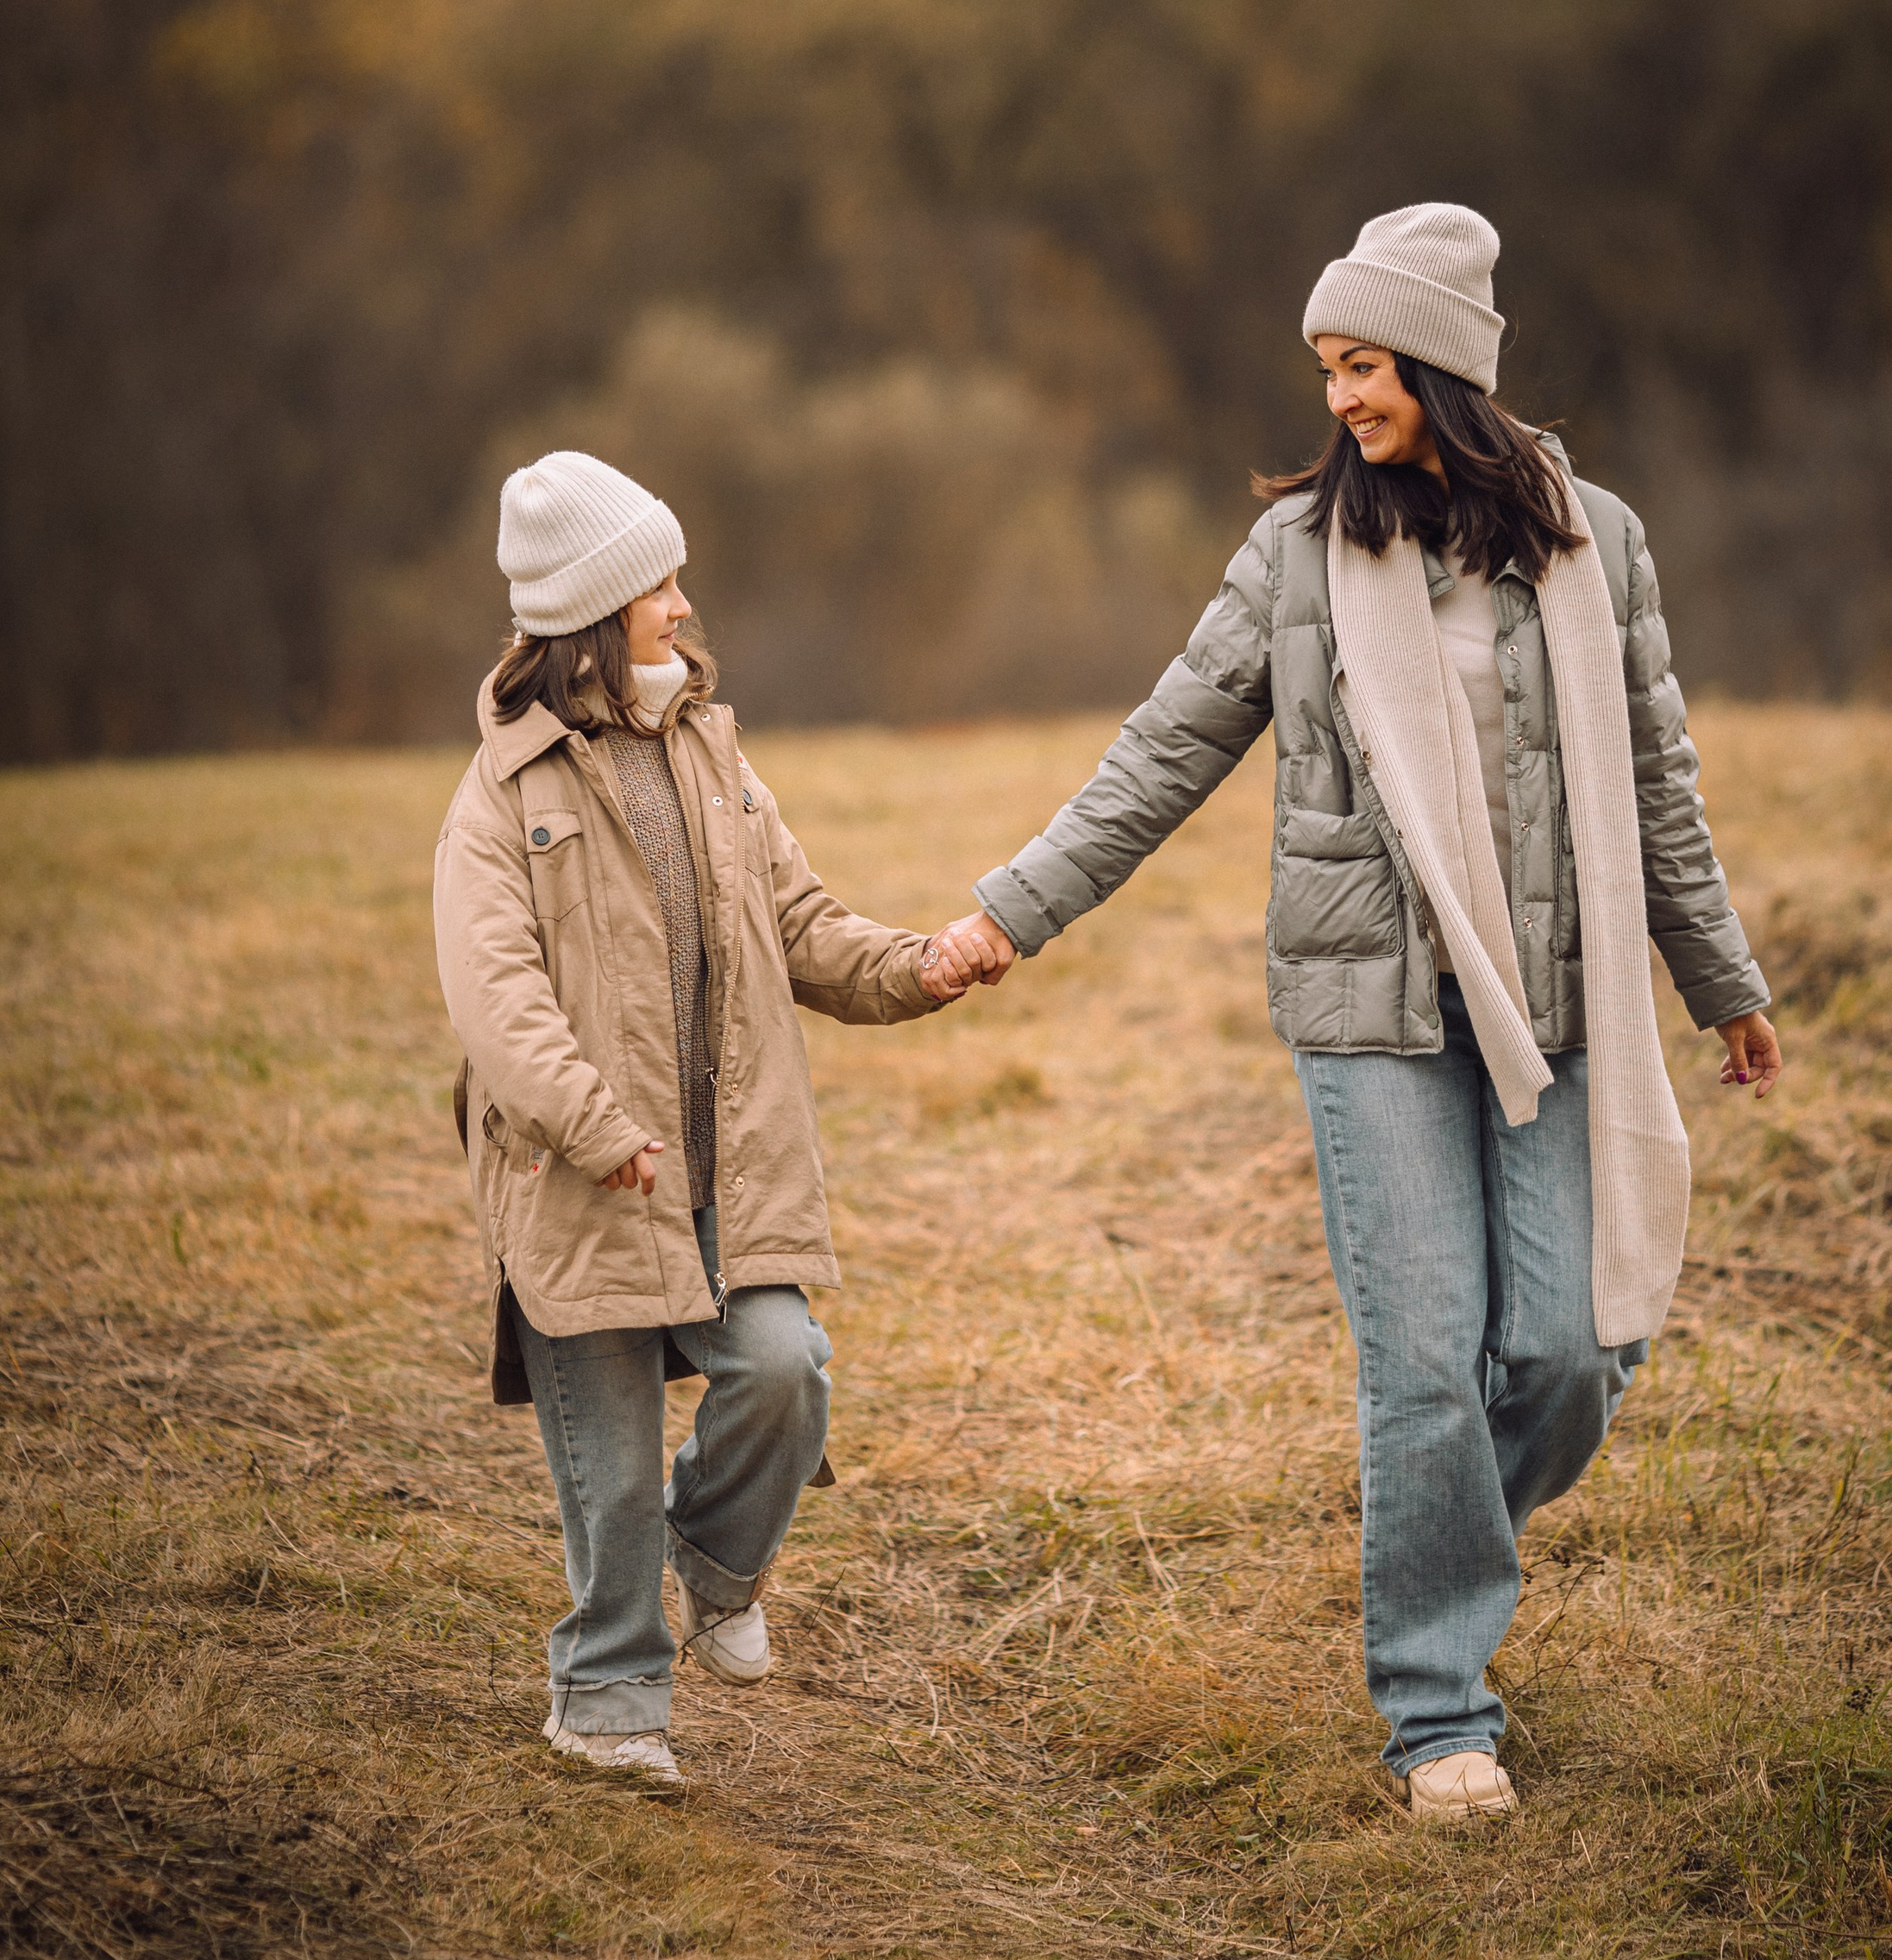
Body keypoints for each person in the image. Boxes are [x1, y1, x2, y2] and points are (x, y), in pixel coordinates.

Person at [938, 205, 1781, 1826]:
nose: (1340, 398)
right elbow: (1163, 750)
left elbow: (1656, 785)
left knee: (1569, 1350)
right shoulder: (1299, 557)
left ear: (1446, 366)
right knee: (1420, 1374)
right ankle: (1437, 1710)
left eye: (1365, 365)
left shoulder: (1597, 542)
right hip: (1370, 1010)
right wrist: (1006, 914)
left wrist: (1722, 980)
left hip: (1565, 1000)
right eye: (1328, 368)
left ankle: (1440, 1531)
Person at [434, 449, 980, 1787]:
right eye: (657, 586)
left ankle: (718, 1560)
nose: (683, 605)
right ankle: (608, 1703)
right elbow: (494, 1000)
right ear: (593, 616)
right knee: (608, 1477)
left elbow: (796, 923)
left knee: (786, 1372)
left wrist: (919, 965)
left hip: (723, 1173)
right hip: (581, 1186)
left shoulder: (713, 752)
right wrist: (593, 1127)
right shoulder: (501, 798)